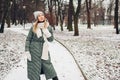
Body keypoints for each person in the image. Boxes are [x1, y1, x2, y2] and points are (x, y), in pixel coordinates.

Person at [25, 11, 58, 80]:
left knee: (48, 66)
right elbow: (28, 39)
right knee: (35, 69)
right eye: (39, 16)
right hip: (34, 51)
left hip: (44, 50)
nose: (41, 17)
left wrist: (47, 33)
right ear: (37, 18)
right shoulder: (33, 27)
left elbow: (51, 39)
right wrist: (27, 50)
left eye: (42, 15)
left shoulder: (48, 27)